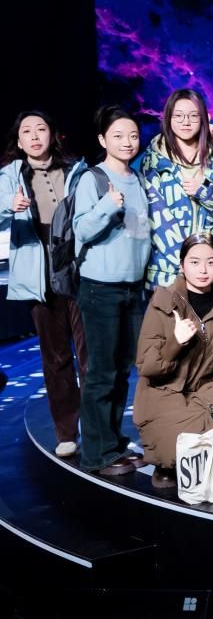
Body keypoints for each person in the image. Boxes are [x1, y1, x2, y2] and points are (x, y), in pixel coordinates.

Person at [132, 233, 213, 488]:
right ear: (182, 265)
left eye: (211, 262)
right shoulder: (163, 303)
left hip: (205, 389)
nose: (203, 270)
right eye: (195, 262)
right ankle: (165, 463)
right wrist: (175, 342)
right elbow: (147, 365)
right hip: (163, 390)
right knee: (182, 443)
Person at [0, 111, 87, 457]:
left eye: (41, 129)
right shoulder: (10, 176)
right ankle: (66, 432)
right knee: (56, 357)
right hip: (39, 273)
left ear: (53, 134)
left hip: (77, 266)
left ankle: (98, 430)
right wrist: (8, 205)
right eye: (27, 131)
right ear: (19, 141)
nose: (35, 136)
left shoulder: (76, 170)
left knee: (90, 353)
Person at [73, 106, 151, 476]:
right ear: (103, 139)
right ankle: (96, 453)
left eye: (133, 135)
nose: (127, 142)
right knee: (101, 373)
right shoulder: (93, 178)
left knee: (122, 371)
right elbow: (81, 230)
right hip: (100, 288)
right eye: (118, 136)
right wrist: (107, 205)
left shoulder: (138, 178)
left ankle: (114, 442)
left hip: (133, 288)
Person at [141, 89, 213, 291]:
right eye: (178, 116)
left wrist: (204, 191)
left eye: (193, 115)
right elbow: (155, 220)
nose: (186, 122)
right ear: (168, 118)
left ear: (203, 118)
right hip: (168, 274)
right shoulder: (153, 162)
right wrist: (188, 262)